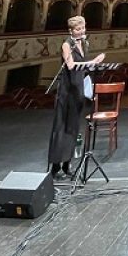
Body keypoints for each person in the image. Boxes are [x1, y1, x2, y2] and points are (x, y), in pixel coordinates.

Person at [47, 15, 104, 178]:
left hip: (78, 88)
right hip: (67, 89)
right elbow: (71, 65)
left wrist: (94, 64)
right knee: (61, 127)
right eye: (78, 29)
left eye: (83, 28)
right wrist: (91, 62)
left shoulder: (84, 44)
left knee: (73, 127)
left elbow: (83, 68)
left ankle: (67, 164)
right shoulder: (67, 45)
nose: (82, 31)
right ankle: (55, 166)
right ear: (71, 30)